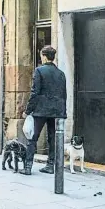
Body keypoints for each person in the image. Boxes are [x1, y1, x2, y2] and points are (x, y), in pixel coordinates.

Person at [20, 46, 67, 175]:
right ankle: (51, 165)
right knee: (52, 138)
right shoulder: (61, 74)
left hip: (41, 110)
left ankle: (28, 166)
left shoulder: (39, 71)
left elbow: (34, 92)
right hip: (56, 111)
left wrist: (28, 110)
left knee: (32, 137)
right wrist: (63, 112)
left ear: (44, 56)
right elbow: (63, 94)